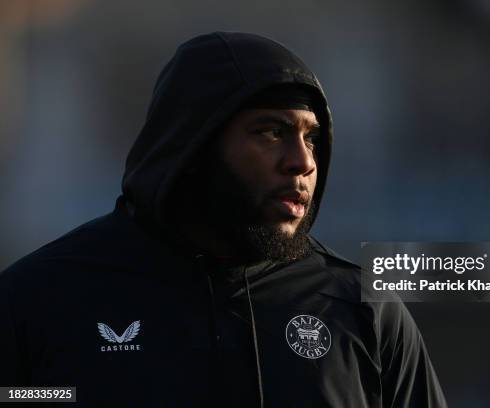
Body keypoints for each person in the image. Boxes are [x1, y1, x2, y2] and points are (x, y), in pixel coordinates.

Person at [0, 32, 447, 407]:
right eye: (271, 132)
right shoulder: (38, 302)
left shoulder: (362, 312)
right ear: (193, 148)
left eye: (312, 138)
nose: (302, 161)